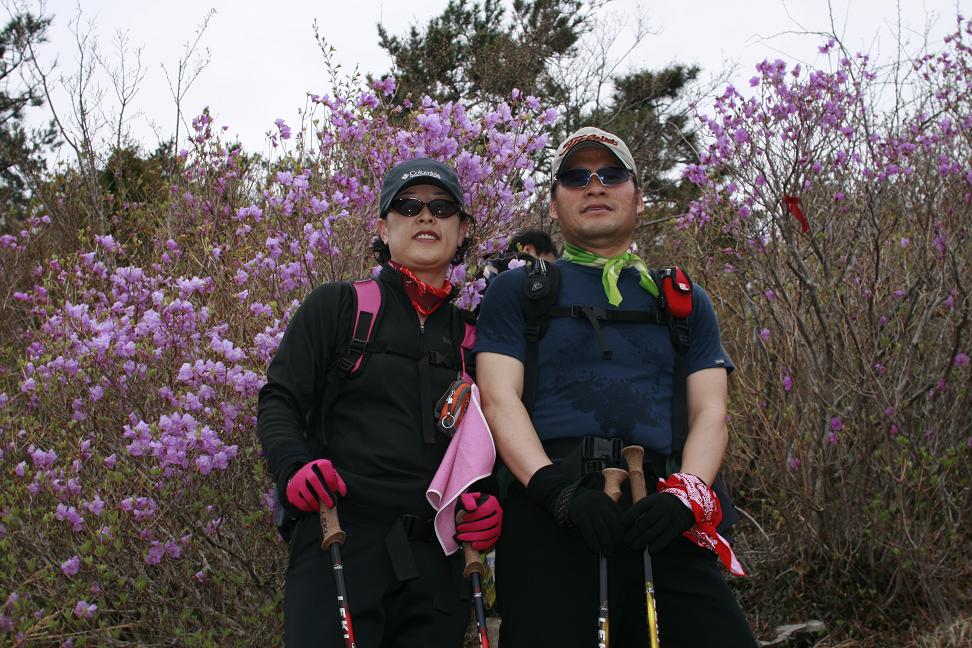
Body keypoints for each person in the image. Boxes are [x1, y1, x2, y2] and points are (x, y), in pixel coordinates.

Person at [474, 127, 755, 647]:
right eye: (577, 177)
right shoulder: (518, 292)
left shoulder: (684, 300)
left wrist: (685, 498)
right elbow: (498, 397)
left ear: (639, 200)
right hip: (549, 517)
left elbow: (711, 412)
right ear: (554, 207)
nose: (595, 186)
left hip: (666, 511)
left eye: (612, 175)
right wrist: (555, 493)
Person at [257, 158, 503, 647]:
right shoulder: (338, 307)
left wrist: (496, 501)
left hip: (437, 556)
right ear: (383, 228)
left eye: (442, 207)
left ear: (462, 230)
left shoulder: (476, 339)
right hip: (338, 536)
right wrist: (293, 468)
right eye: (408, 206)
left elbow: (497, 440)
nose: (425, 217)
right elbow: (279, 399)